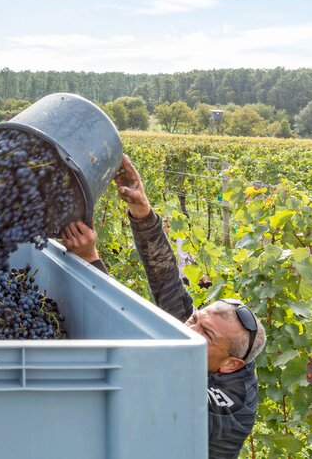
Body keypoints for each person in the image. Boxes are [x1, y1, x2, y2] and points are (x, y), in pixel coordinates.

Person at [62, 155, 266, 459]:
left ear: (231, 365)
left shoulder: (232, 407)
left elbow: (153, 376)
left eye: (205, 333)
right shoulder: (197, 338)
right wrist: (142, 212)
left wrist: (92, 261)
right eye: (196, 318)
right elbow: (166, 280)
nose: (188, 326)